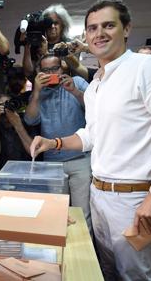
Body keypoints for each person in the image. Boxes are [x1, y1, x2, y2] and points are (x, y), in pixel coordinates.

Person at [29, 0, 151, 280]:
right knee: (106, 269)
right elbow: (91, 136)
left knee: (134, 274)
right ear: (85, 36)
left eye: (109, 25)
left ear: (127, 28)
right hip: (99, 194)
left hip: (134, 199)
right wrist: (53, 143)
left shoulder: (148, 67)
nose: (99, 33)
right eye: (92, 28)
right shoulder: (96, 84)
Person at [24, 54, 92, 232]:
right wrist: (37, 92)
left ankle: (83, 255)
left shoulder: (76, 82)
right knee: (57, 213)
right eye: (45, 70)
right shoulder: (39, 92)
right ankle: (61, 253)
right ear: (39, 72)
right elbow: (30, 120)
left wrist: (74, 91)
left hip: (81, 158)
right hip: (52, 163)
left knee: (82, 213)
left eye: (54, 69)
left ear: (62, 68)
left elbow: (96, 108)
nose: (51, 73)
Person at [22, 3, 73, 78]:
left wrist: (45, 54)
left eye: (56, 23)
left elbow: (68, 71)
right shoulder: (37, 43)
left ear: (63, 25)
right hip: (41, 87)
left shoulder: (69, 44)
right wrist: (26, 46)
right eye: (49, 23)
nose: (52, 26)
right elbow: (28, 73)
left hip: (64, 87)